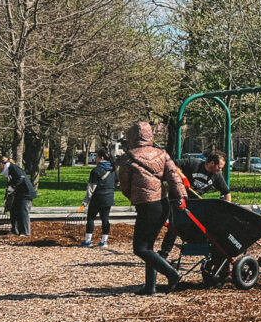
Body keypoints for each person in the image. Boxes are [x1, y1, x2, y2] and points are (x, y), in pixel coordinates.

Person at [118, 121, 185, 295]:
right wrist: (181, 198)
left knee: (140, 248)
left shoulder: (128, 157)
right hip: (162, 204)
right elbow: (174, 178)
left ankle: (172, 274)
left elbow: (124, 185)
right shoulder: (162, 154)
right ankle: (150, 286)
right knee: (149, 247)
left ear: (131, 137)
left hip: (146, 205)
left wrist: (133, 197)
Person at [159, 151, 231, 258]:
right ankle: (164, 254)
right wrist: (183, 177)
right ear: (212, 163)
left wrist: (228, 208)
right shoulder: (194, 163)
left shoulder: (216, 176)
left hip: (194, 204)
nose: (220, 170)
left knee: (201, 228)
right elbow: (172, 165)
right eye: (219, 167)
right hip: (178, 198)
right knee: (175, 226)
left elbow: (226, 192)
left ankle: (207, 253)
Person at [80, 150, 118, 248]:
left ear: (101, 158)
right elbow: (117, 183)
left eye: (96, 156)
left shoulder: (96, 170)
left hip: (97, 197)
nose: (95, 158)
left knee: (91, 218)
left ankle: (88, 241)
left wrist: (85, 201)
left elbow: (91, 188)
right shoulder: (113, 169)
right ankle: (104, 241)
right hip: (109, 197)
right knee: (105, 219)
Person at [0, 156, 37, 237]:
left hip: (26, 192)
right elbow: (10, 183)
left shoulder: (13, 168)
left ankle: (25, 232)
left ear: (1, 164)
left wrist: (13, 187)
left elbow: (21, 178)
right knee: (13, 210)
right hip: (19, 193)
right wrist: (7, 195)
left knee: (23, 211)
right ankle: (15, 230)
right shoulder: (9, 170)